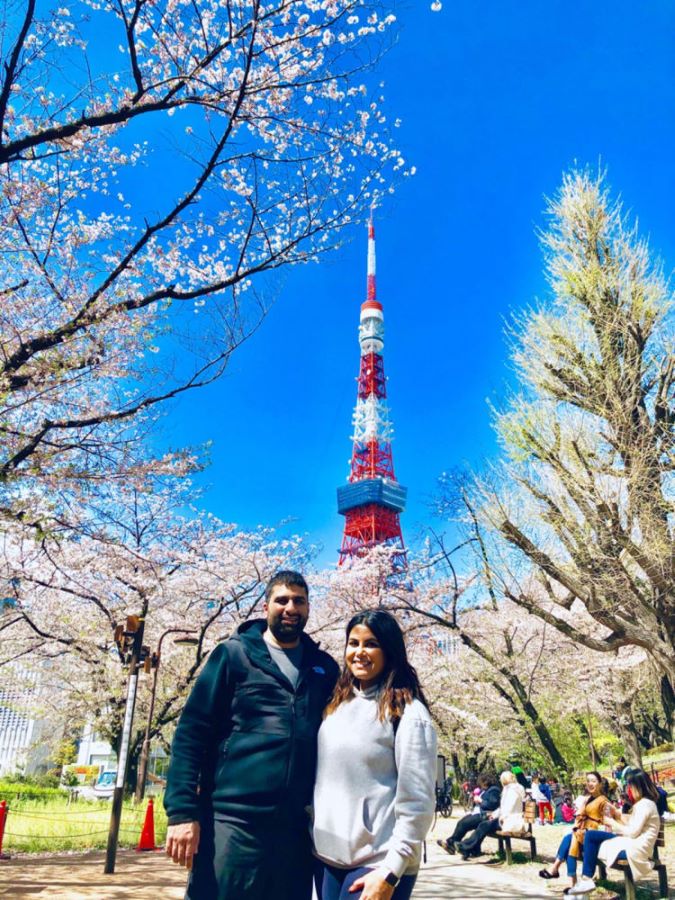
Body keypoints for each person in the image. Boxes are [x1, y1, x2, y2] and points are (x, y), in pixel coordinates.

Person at [163, 570, 339, 900]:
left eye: (299, 601)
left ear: (309, 608)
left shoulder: (324, 668)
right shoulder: (233, 655)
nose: (290, 608)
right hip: (233, 822)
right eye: (282, 600)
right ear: (265, 606)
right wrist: (182, 812)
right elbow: (191, 734)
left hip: (295, 829)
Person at [312, 609, 437, 900]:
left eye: (371, 644)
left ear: (389, 650)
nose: (359, 652)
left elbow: (418, 802)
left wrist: (391, 871)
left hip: (378, 862)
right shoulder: (336, 702)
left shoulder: (408, 713)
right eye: (353, 643)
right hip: (328, 857)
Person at [568, 770, 661, 895]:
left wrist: (612, 823)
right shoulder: (644, 804)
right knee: (591, 835)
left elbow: (632, 832)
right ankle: (586, 879)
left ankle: (586, 879)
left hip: (636, 849)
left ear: (639, 787)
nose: (629, 790)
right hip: (632, 843)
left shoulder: (645, 805)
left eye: (630, 786)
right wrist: (616, 812)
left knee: (591, 836)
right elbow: (631, 825)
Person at [538, 771, 609, 889]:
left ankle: (560, 872)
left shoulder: (604, 801)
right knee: (572, 839)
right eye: (588, 781)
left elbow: (607, 824)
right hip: (583, 833)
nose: (590, 784)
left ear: (600, 784)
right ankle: (568, 879)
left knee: (571, 838)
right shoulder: (588, 800)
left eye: (594, 781)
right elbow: (579, 815)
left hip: (593, 836)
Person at [456, 770, 526, 859]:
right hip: (508, 818)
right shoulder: (512, 789)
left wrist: (499, 817)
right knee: (483, 825)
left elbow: (508, 808)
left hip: (510, 821)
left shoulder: (512, 791)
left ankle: (465, 847)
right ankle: (467, 848)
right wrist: (494, 814)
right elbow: (503, 807)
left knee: (484, 825)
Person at [436, 774, 501, 855]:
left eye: (481, 783)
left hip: (486, 815)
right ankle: (452, 844)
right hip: (477, 813)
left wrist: (480, 800)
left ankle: (453, 844)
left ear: (486, 782)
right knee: (461, 822)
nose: (480, 785)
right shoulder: (485, 790)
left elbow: (492, 805)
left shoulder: (494, 790)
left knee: (464, 823)